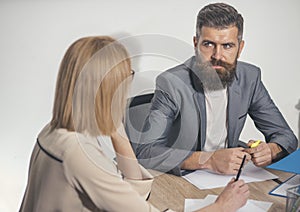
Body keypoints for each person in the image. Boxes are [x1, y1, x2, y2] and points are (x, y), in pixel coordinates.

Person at [19, 36, 249, 212]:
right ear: (109, 88)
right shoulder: (78, 154)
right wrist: (221, 206)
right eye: (126, 76)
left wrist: (117, 132)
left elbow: (133, 195)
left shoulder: (54, 132)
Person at [133, 2, 298, 176]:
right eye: (208, 44)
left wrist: (271, 150)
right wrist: (208, 160)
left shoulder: (250, 78)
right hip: (182, 178)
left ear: (240, 48)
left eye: (227, 46)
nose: (217, 56)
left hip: (230, 177)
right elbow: (146, 152)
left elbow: (285, 136)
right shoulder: (172, 83)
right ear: (196, 43)